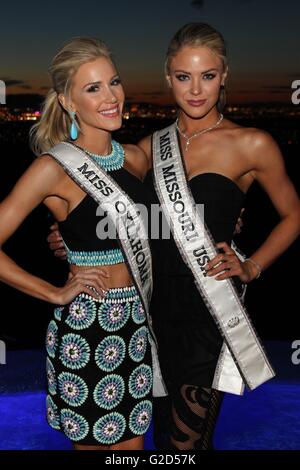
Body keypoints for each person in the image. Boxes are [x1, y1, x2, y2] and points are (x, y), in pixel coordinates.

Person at [48, 24, 300, 451]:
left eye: (208, 76)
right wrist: (67, 238)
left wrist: (253, 264)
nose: (196, 90)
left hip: (206, 312)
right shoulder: (147, 149)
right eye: (184, 77)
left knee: (188, 444)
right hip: (146, 311)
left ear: (225, 76)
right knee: (154, 439)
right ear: (168, 77)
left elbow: (293, 215)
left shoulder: (252, 143)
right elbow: (118, 214)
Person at [0, 37, 167, 450]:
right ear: (68, 101)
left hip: (138, 327)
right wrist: (53, 293)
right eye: (93, 88)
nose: (111, 97)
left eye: (114, 82)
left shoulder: (135, 157)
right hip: (87, 332)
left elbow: (156, 227)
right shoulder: (53, 167)